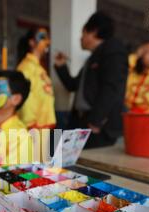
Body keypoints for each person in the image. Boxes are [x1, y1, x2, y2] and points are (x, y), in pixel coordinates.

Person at [54, 12, 128, 148]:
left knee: (86, 165)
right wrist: (61, 66)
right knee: (69, 161)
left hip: (97, 126)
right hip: (81, 121)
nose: (80, 39)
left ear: (93, 31)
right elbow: (73, 85)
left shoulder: (113, 52)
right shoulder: (93, 59)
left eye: (83, 34)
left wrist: (96, 120)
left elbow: (111, 88)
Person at [17, 27, 56, 161]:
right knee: (33, 169)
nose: (47, 42)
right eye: (42, 37)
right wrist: (31, 126)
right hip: (34, 129)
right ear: (32, 42)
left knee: (41, 169)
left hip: (42, 128)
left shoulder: (38, 68)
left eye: (47, 38)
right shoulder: (26, 68)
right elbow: (26, 99)